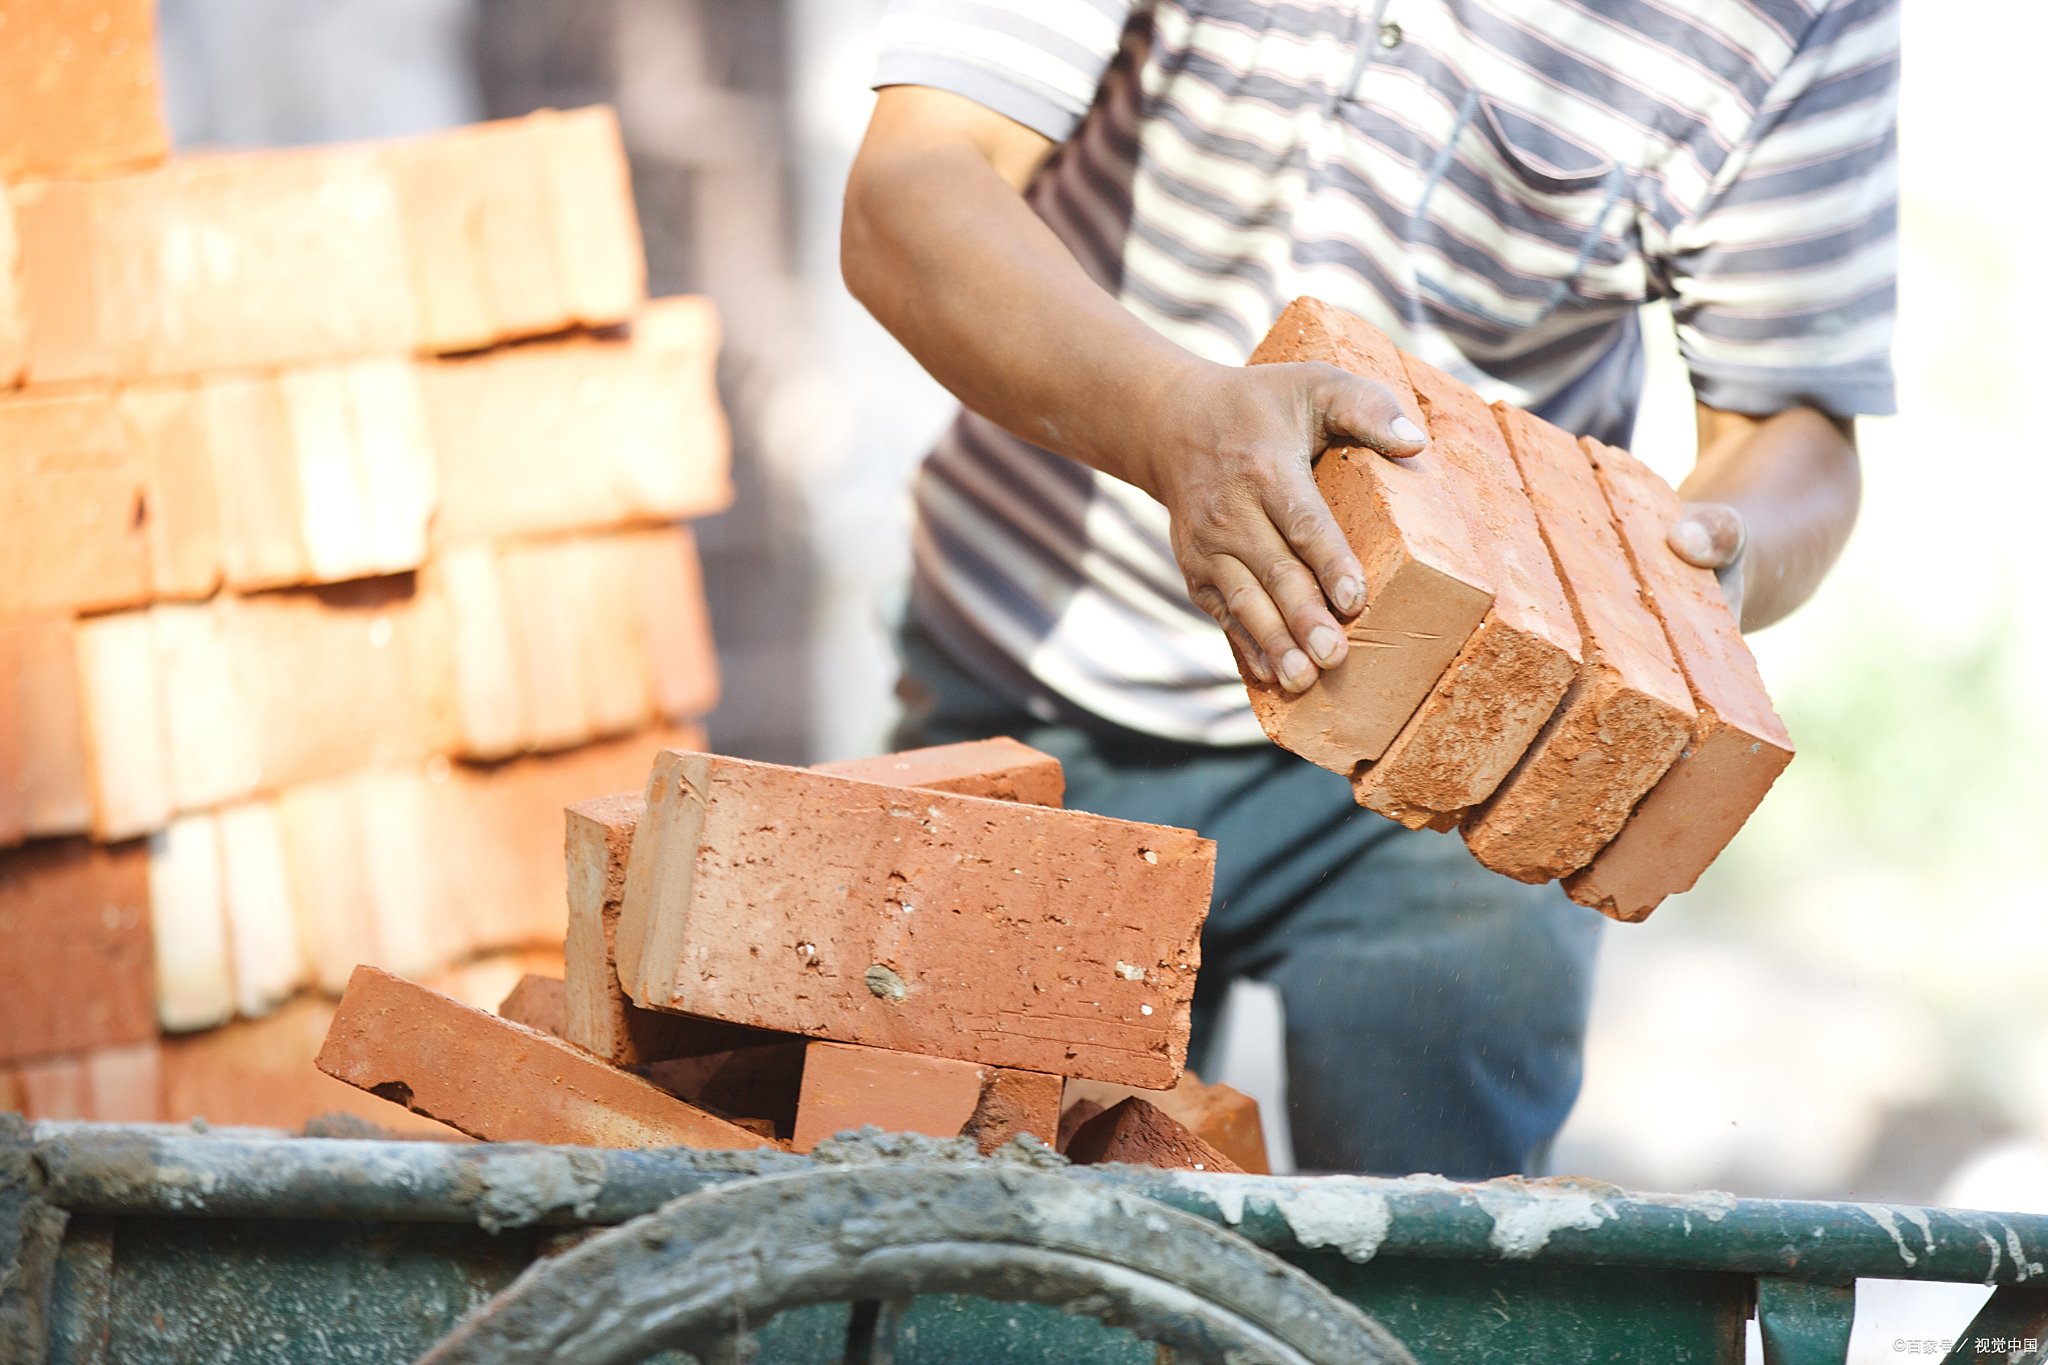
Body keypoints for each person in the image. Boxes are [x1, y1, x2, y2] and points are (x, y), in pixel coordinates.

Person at [841, 0, 1893, 1176]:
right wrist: (1165, 422)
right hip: (1032, 670)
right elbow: (910, 191)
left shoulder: (1801, 21)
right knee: (991, 1271)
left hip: (1458, 787)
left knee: (1418, 1297)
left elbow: (1791, 423)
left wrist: (1684, 589)